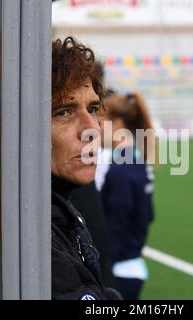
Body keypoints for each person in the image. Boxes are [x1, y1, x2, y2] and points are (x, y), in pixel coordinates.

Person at [50, 37, 120, 300]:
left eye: (92, 108)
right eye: (63, 112)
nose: (93, 128)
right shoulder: (19, 229)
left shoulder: (60, 204)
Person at [98, 93, 155, 300]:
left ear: (117, 124)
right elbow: (148, 215)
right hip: (132, 265)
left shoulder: (120, 170)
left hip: (119, 271)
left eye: (100, 122)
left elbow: (115, 225)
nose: (94, 128)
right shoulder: (137, 161)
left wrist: (103, 271)